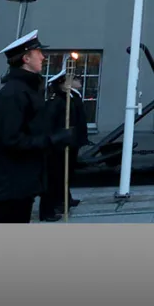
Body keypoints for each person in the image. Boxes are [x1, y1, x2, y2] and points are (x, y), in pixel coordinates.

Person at [0, 31, 75, 224]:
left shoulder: (28, 90)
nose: (43, 57)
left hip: (23, 183)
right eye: (38, 53)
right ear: (26, 59)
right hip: (11, 185)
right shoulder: (13, 95)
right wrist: (52, 140)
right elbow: (11, 140)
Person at [39, 68, 87, 222]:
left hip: (69, 141)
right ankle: (49, 208)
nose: (78, 80)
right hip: (58, 144)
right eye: (73, 78)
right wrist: (57, 139)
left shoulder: (72, 96)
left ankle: (64, 199)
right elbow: (50, 123)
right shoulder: (58, 100)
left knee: (66, 173)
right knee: (55, 176)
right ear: (63, 83)